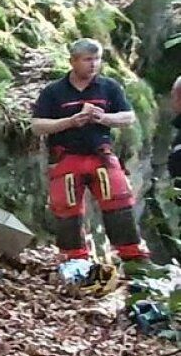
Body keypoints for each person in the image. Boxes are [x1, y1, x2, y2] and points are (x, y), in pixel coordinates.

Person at [30, 38, 149, 266]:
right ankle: (75, 262)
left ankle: (134, 261)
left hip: (100, 155)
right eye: (87, 60)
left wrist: (103, 118)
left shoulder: (109, 87)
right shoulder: (54, 91)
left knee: (119, 202)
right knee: (66, 210)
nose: (93, 64)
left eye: (97, 59)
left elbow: (128, 117)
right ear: (73, 61)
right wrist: (70, 122)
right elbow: (37, 126)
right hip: (66, 157)